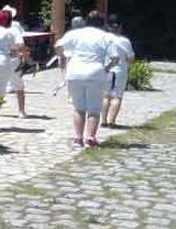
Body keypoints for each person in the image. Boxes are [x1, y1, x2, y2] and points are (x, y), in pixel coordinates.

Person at [55, 11, 120, 148]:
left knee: (78, 107)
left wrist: (62, 58)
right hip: (95, 72)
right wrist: (106, 68)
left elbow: (58, 46)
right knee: (94, 108)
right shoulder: (106, 37)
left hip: (74, 71)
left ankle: (78, 137)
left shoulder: (75, 33)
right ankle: (90, 137)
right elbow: (115, 58)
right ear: (103, 23)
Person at [101, 15, 135, 128]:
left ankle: (104, 120)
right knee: (117, 97)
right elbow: (130, 58)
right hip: (120, 71)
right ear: (120, 26)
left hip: (106, 69)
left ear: (107, 25)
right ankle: (112, 121)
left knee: (105, 96)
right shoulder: (125, 41)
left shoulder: (103, 38)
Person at [1, 5, 28, 118]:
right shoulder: (14, 28)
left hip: (2, 58)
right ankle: (21, 111)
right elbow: (21, 43)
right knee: (18, 86)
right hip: (10, 58)